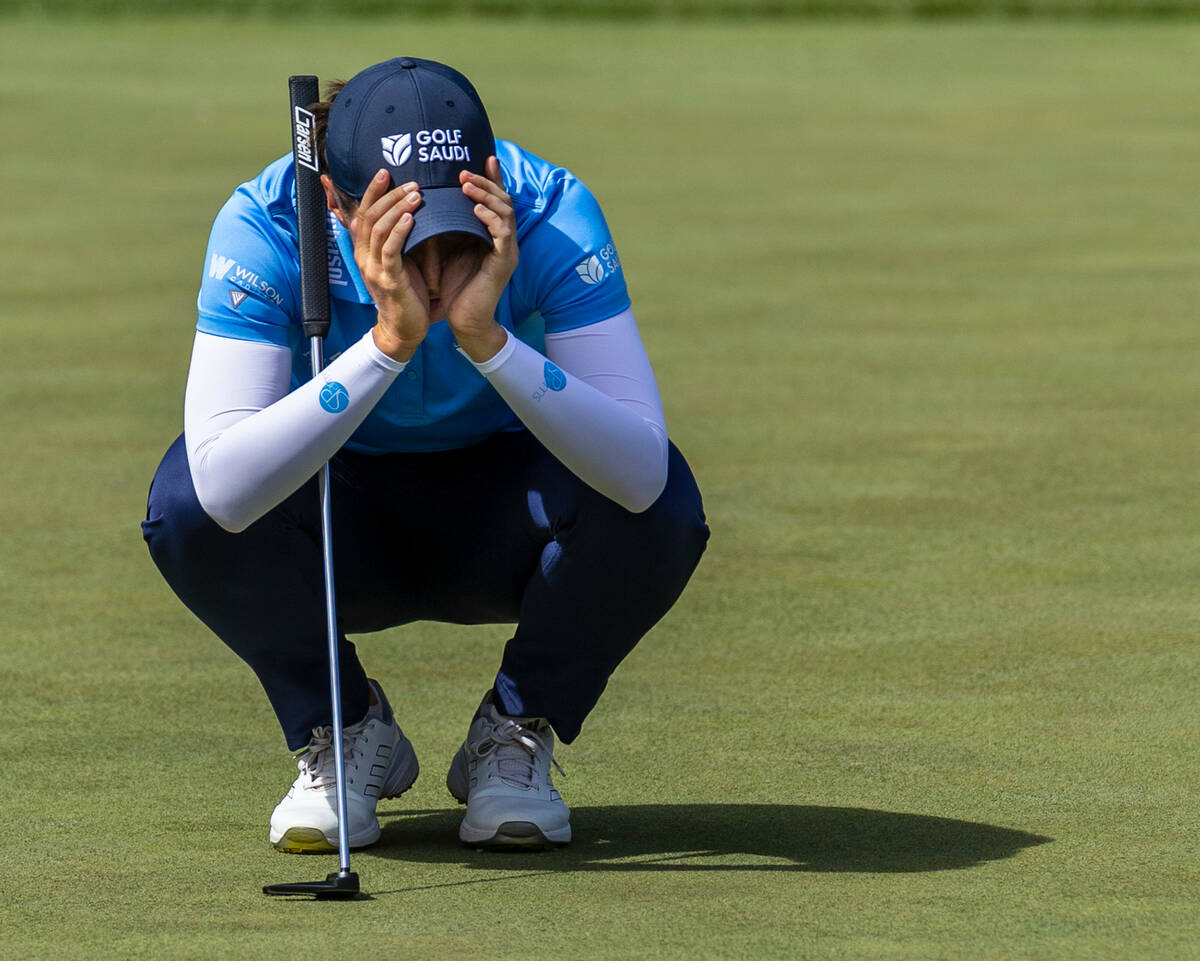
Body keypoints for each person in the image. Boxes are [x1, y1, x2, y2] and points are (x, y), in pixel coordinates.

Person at [142, 56, 708, 853]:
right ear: (334, 200)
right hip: (339, 517)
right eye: (404, 231)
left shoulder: (549, 210)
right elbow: (222, 492)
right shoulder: (267, 220)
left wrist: (488, 339)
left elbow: (643, 474)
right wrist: (387, 344)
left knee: (665, 507)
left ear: (487, 178)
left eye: (451, 225)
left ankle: (514, 731)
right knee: (184, 507)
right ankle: (343, 729)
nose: (434, 264)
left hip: (508, 510)